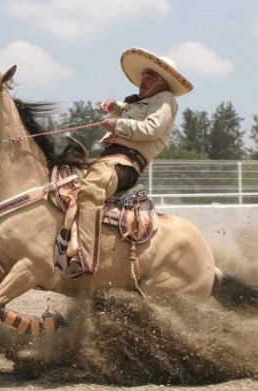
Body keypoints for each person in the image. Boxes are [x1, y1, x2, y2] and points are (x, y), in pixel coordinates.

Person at [61, 47, 194, 278]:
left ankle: (84, 257)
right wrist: (114, 107)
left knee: (90, 190)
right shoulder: (144, 102)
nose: (143, 78)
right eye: (143, 74)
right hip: (108, 161)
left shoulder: (165, 100)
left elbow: (151, 129)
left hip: (124, 165)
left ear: (162, 82)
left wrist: (118, 124)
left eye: (150, 75)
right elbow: (129, 109)